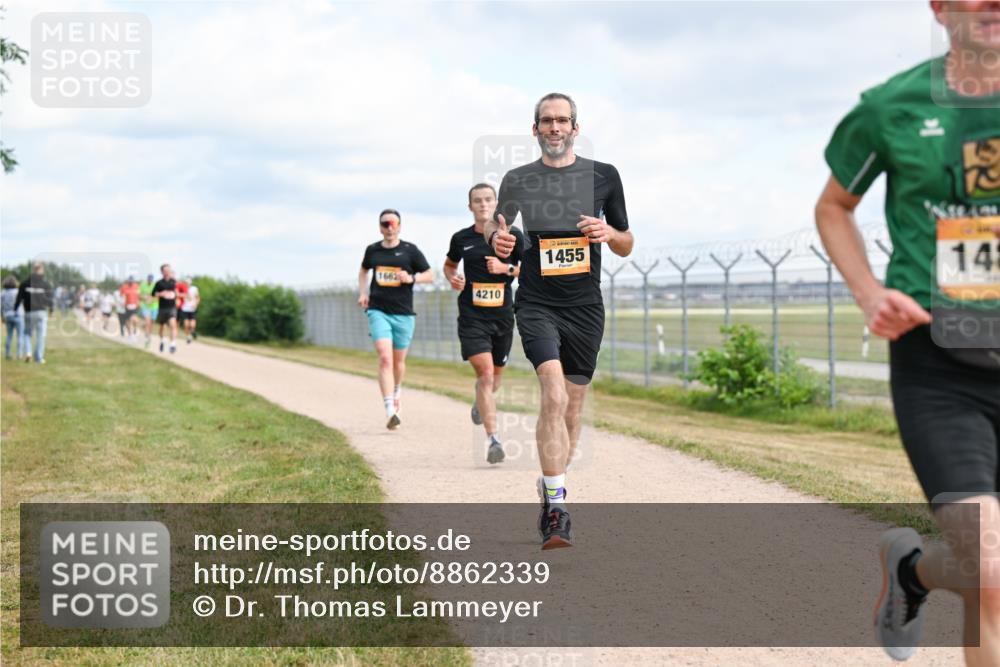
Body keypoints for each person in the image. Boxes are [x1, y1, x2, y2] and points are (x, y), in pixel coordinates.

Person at [816, 3, 999, 662]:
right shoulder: (891, 107)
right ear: (941, 7)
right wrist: (869, 291)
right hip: (940, 362)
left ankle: (911, 570)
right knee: (989, 563)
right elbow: (834, 206)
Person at [483, 93, 633, 549]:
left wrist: (609, 234)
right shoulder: (519, 178)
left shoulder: (604, 176)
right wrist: (500, 240)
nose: (554, 128)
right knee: (551, 392)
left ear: (575, 127)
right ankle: (557, 510)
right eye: (546, 121)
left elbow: (627, 241)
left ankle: (552, 484)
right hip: (536, 303)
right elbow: (496, 228)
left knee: (571, 407)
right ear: (535, 130)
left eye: (562, 121)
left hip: (586, 307)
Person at [444, 183, 524, 464]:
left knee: (495, 380)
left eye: (488, 199)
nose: (483, 204)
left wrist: (507, 269)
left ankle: (482, 402)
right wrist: (453, 278)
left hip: (502, 316)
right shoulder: (461, 238)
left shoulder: (512, 236)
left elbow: (531, 270)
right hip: (472, 317)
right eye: (477, 201)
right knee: (486, 375)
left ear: (497, 203)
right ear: (470, 206)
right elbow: (449, 265)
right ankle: (494, 440)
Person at [358, 209, 434, 430]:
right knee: (385, 358)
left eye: (393, 223)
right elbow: (363, 272)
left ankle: (397, 389)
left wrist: (411, 278)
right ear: (380, 227)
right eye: (385, 224)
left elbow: (430, 275)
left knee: (398, 362)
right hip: (378, 311)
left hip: (403, 314)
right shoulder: (372, 251)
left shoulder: (410, 251)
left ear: (399, 226)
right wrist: (363, 293)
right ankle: (390, 409)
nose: (389, 227)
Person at [14, 263, 54, 364]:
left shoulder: (25, 284)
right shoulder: (45, 284)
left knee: (27, 334)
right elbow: (50, 299)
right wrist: (51, 309)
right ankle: (39, 358)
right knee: (41, 335)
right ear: (42, 271)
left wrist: (15, 310)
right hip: (41, 312)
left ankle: (28, 352)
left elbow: (19, 298)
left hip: (28, 312)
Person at [152, 264, 179, 354]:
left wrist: (176, 295)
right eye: (166, 270)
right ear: (162, 272)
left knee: (173, 325)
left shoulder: (174, 282)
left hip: (172, 307)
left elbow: (178, 293)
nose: (167, 271)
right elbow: (153, 294)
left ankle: (173, 344)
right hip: (162, 308)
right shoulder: (159, 283)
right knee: (162, 327)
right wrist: (161, 294)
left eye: (169, 270)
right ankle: (162, 340)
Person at [2, 275, 26, 361]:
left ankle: (7, 354)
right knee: (20, 336)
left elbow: (1, 306)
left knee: (9, 336)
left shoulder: (3, 293)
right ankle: (19, 354)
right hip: (18, 315)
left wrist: (2, 316)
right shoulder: (18, 292)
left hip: (8, 316)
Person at [139, 273, 157, 348]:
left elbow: (158, 296)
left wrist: (151, 299)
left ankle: (149, 335)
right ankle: (146, 339)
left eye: (151, 279)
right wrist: (144, 298)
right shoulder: (143, 284)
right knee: (147, 321)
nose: (150, 280)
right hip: (145, 306)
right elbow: (138, 295)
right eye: (149, 278)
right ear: (147, 279)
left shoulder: (156, 285)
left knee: (151, 323)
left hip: (154, 307)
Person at [179, 279, 200, 343]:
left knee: (192, 324)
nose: (187, 284)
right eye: (186, 283)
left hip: (192, 308)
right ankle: (188, 337)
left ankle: (192, 332)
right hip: (184, 308)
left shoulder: (194, 289)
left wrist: (196, 304)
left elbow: (197, 297)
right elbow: (178, 295)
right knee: (186, 325)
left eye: (188, 283)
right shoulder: (182, 289)